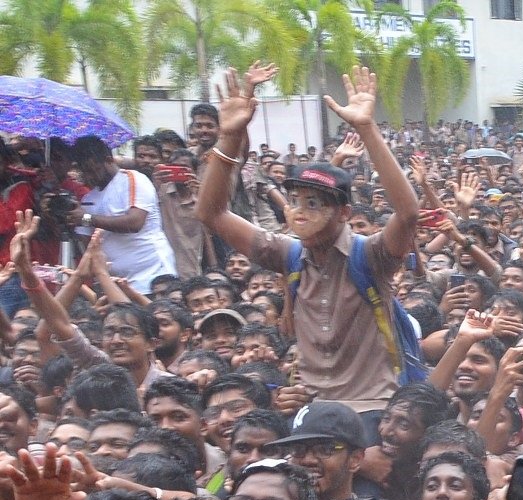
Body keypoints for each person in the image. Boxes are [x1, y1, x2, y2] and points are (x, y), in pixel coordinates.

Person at [198, 63, 420, 413]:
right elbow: (211, 215)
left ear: (344, 212)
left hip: (373, 408)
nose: (299, 211)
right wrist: (228, 138)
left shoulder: (371, 255)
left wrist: (366, 127)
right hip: (310, 410)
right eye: (296, 201)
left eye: (314, 203)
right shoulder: (285, 254)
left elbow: (408, 214)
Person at [67, 136, 176, 292]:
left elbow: (135, 222)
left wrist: (86, 219)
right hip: (117, 285)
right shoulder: (88, 199)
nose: (90, 176)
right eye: (85, 172)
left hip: (152, 277)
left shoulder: (133, 179)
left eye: (94, 169)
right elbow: (88, 246)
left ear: (109, 160)